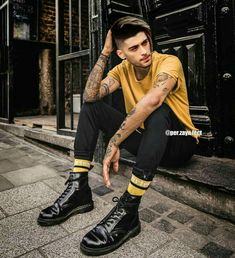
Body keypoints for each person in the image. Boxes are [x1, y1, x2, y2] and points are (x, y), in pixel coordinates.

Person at [37, 16, 200, 255]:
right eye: (134, 48)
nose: (144, 51)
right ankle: (78, 188)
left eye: (146, 43)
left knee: (158, 110)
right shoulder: (121, 69)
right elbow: (90, 96)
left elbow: (152, 101)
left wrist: (114, 142)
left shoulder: (168, 62)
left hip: (179, 140)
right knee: (92, 108)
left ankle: (129, 209)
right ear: (122, 53)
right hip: (147, 142)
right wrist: (104, 52)